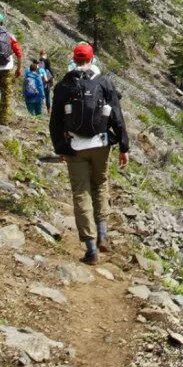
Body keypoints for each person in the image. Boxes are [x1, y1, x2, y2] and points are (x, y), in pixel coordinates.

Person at [49, 43, 129, 265]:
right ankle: (103, 233)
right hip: (101, 144)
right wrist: (124, 146)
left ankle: (91, 248)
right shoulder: (103, 82)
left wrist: (60, 147)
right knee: (100, 184)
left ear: (74, 59)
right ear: (92, 59)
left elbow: (55, 120)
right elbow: (117, 116)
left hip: (75, 146)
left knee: (81, 193)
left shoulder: (65, 84)